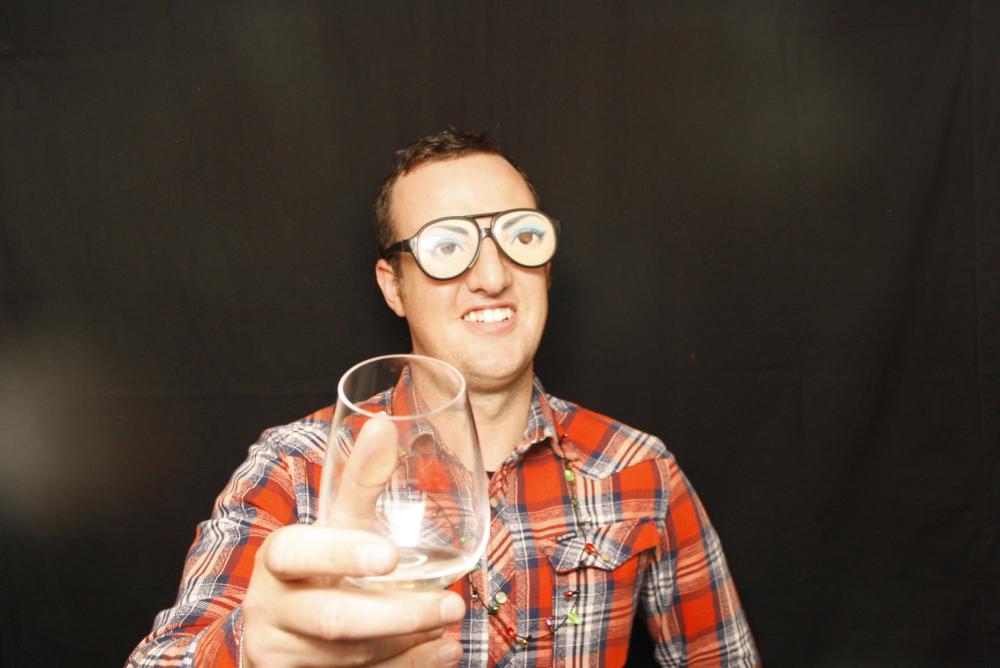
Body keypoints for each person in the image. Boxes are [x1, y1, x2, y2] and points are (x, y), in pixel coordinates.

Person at [128, 129, 759, 667]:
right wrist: (251, 649)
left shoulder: (641, 469)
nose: (492, 276)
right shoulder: (297, 469)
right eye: (447, 247)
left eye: (520, 237)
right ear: (394, 286)